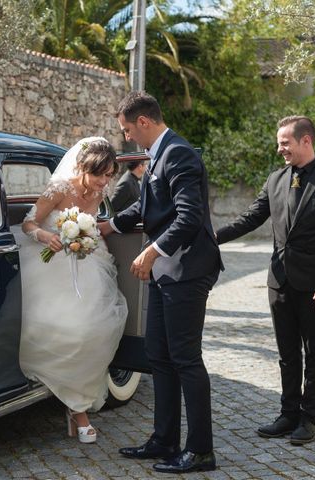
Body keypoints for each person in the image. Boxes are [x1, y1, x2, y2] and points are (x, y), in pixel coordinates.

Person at [99, 91, 222, 473]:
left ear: (145, 122)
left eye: (127, 130)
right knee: (159, 356)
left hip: (187, 269)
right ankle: (164, 439)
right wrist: (109, 226)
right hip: (166, 272)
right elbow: (147, 206)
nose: (128, 138)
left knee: (185, 359)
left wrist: (152, 252)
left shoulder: (180, 153)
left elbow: (189, 216)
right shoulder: (158, 155)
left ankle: (201, 450)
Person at [216, 115, 315, 445]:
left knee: (314, 352)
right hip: (279, 280)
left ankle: (309, 418)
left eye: (285, 142)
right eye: (280, 142)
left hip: (314, 285)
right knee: (286, 353)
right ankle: (288, 413)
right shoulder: (276, 179)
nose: (279, 148)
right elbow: (250, 218)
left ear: (305, 141)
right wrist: (212, 237)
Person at [16, 137, 128, 444]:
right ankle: (78, 411)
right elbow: (29, 223)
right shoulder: (59, 189)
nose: (104, 182)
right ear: (82, 167)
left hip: (87, 265)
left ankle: (76, 403)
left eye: (109, 175)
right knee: (67, 330)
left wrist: (87, 237)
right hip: (49, 267)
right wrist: (44, 236)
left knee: (98, 329)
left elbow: (91, 225)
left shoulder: (99, 192)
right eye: (100, 175)